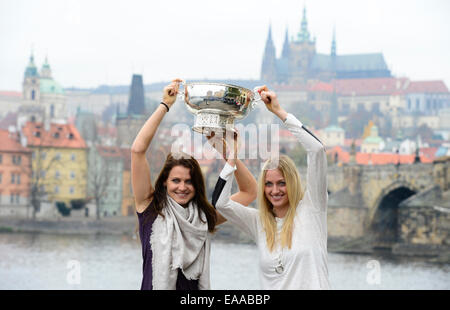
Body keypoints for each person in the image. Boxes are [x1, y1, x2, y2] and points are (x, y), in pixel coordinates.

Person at [131, 79, 256, 290]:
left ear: (197, 185)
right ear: (164, 183)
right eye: (176, 180)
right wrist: (165, 105)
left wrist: (225, 152)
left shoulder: (204, 218)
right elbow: (137, 151)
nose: (182, 187)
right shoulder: (150, 209)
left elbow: (250, 191)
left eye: (189, 181)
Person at [214, 85, 330, 289]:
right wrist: (231, 157)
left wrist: (278, 111)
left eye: (281, 183)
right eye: (269, 184)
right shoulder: (259, 222)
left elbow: (317, 149)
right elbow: (221, 204)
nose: (275, 190)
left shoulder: (313, 208)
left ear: (292, 183)